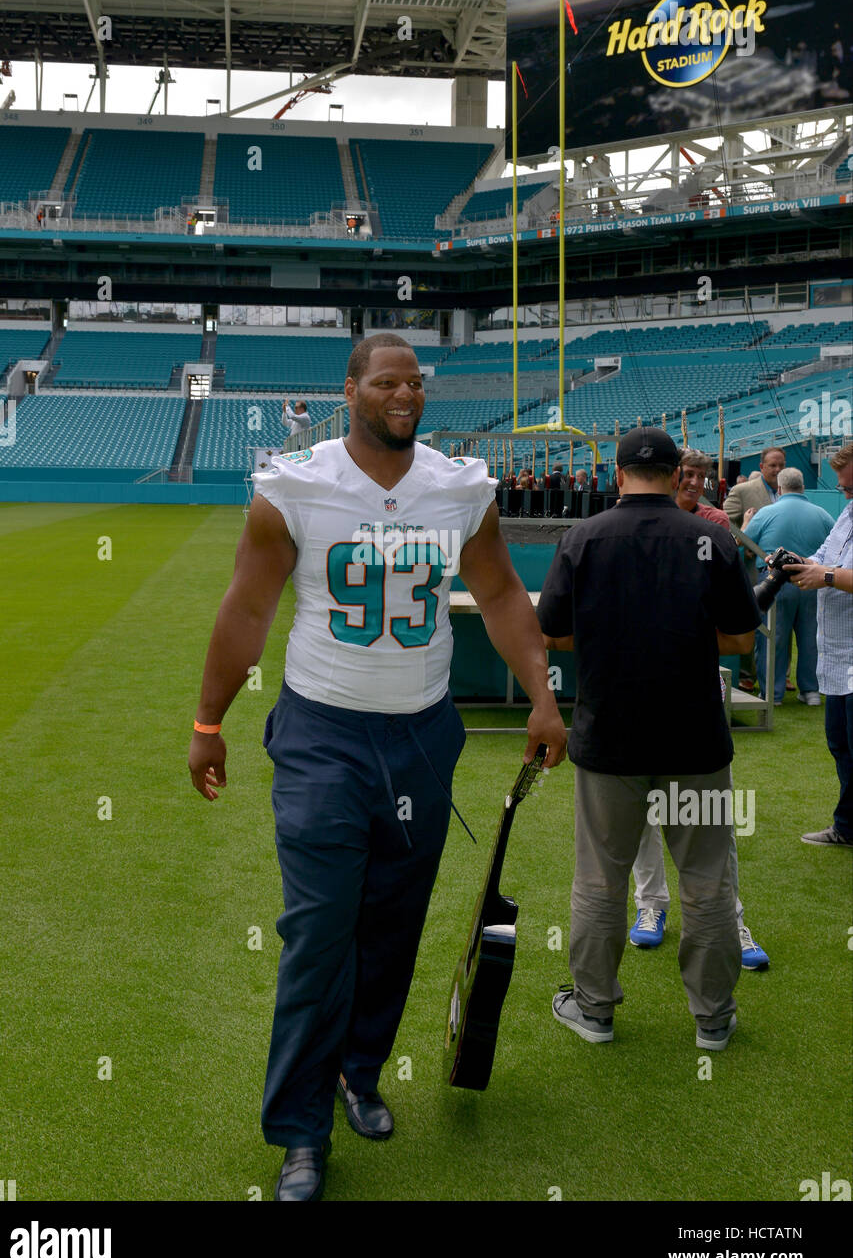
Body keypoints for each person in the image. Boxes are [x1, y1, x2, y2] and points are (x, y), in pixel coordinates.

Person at [188, 331, 567, 1201]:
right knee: (320, 932)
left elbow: (504, 593)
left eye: (415, 383)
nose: (405, 395)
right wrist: (209, 719)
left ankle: (360, 1071)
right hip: (323, 730)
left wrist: (541, 697)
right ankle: (298, 1130)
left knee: (393, 923)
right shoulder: (296, 485)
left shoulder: (458, 487)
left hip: (422, 735)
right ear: (351, 388)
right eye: (387, 382)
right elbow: (248, 607)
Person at [537, 427, 760, 1051]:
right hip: (694, 740)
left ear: (617, 472)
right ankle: (712, 1018)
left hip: (610, 738)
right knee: (708, 879)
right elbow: (742, 639)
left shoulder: (582, 537)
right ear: (676, 472)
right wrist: (677, 635)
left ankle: (595, 1009)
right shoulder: (711, 537)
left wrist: (619, 634)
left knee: (600, 879)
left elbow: (551, 636)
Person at [629, 671, 769, 970]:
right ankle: (650, 904)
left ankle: (730, 920)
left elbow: (737, 638)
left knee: (716, 823)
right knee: (642, 813)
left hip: (697, 701)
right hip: (633, 694)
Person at [785, 441, 853, 846]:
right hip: (838, 653)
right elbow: (825, 555)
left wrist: (825, 576)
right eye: (844, 488)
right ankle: (848, 826)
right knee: (840, 744)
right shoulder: (847, 513)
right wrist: (805, 563)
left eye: (848, 487)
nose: (845, 493)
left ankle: (847, 825)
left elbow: (834, 571)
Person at [742, 468, 833, 706]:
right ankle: (811, 691)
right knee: (810, 638)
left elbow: (746, 543)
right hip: (812, 581)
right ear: (802, 487)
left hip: (775, 582)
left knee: (774, 639)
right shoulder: (822, 514)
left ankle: (773, 693)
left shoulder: (766, 513)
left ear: (779, 489)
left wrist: (746, 523)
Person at [725, 446, 785, 691]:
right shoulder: (742, 491)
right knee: (751, 619)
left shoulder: (789, 491)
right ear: (761, 467)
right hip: (750, 569)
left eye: (781, 465)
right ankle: (746, 675)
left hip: (780, 574)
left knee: (780, 625)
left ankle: (779, 674)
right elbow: (724, 522)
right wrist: (746, 540)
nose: (777, 469)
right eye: (772, 465)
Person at [675, 449, 730, 527]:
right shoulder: (657, 512)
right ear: (676, 475)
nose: (695, 482)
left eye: (701, 476)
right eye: (689, 474)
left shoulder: (715, 519)